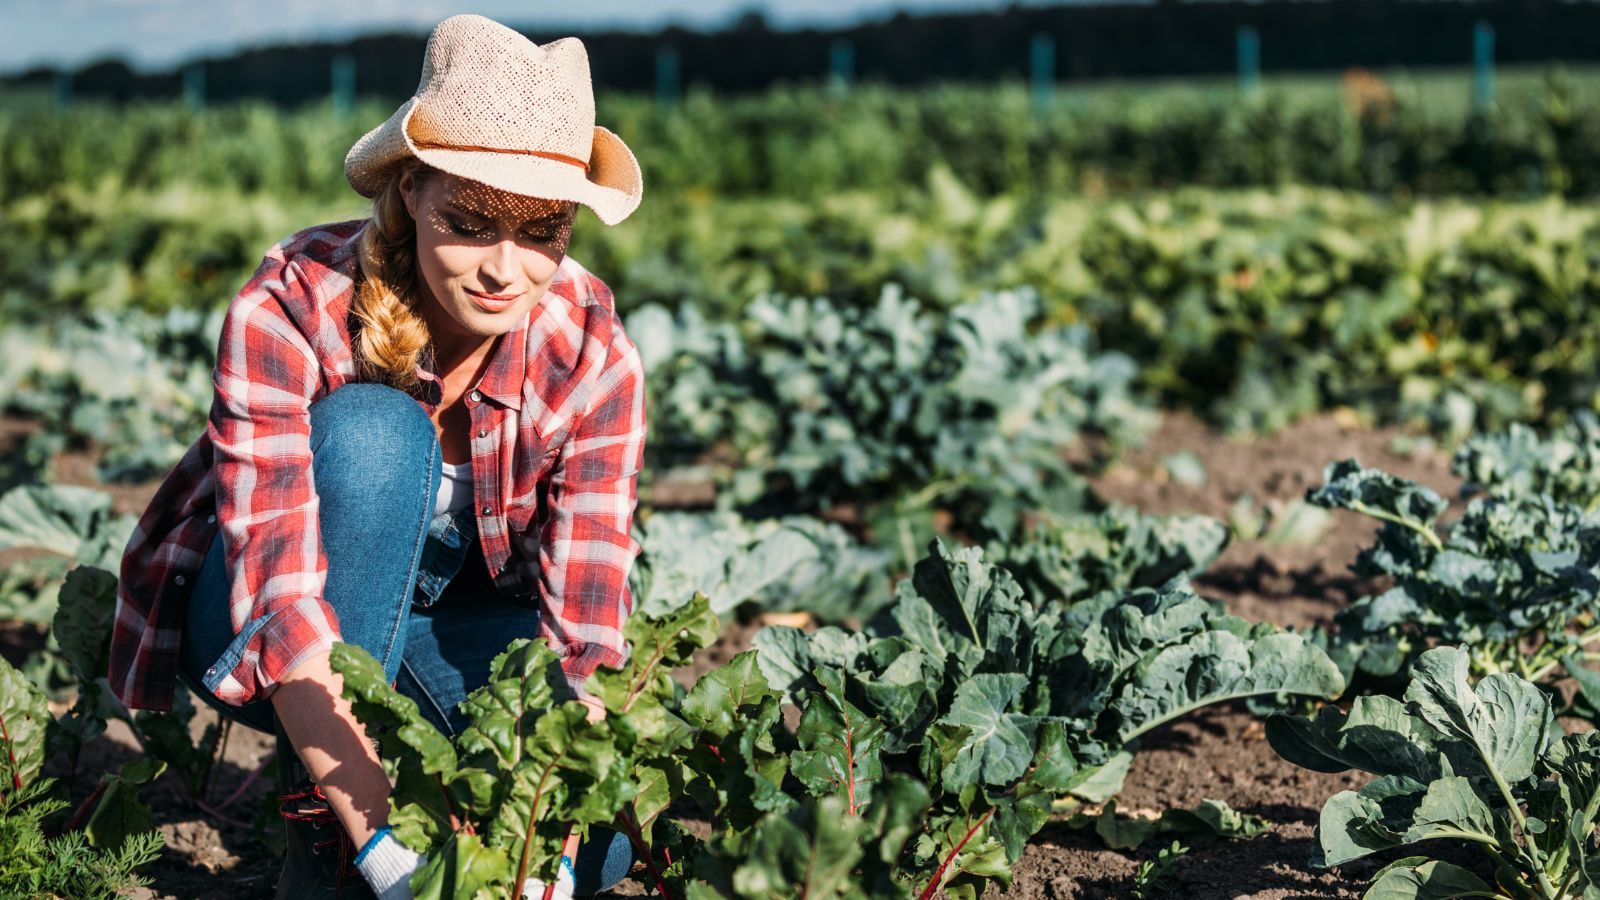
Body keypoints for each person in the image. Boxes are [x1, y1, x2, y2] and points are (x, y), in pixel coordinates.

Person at [107, 15, 647, 900]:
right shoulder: (290, 303)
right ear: (410, 195)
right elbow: (279, 597)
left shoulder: (590, 345)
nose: (504, 271)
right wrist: (378, 847)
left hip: (456, 623)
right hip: (263, 610)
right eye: (469, 224)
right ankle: (319, 846)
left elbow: (586, 629)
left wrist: (546, 828)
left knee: (599, 854)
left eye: (542, 232)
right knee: (372, 433)